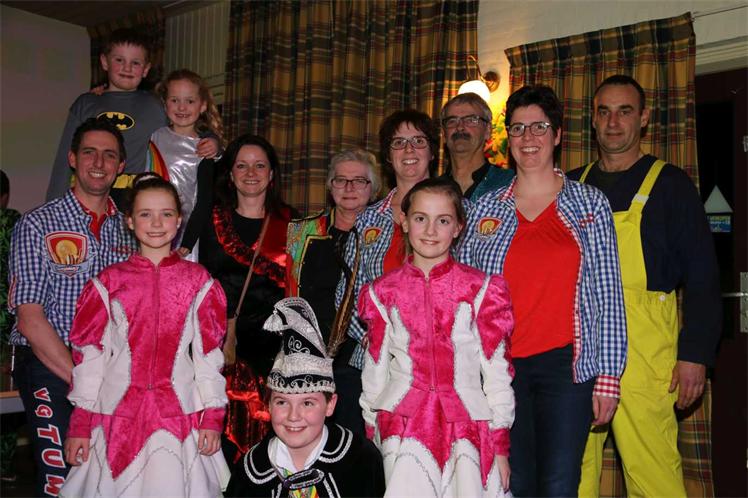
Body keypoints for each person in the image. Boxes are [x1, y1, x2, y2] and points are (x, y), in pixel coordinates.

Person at [458, 85, 627, 497]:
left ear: (557, 134)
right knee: (512, 483)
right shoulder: (484, 209)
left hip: (565, 368)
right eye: (518, 128)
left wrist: (608, 377)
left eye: (539, 127)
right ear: (508, 140)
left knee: (559, 484)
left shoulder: (589, 204)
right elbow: (463, 292)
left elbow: (608, 294)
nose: (528, 138)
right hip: (499, 369)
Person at [568, 75, 721, 498]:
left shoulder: (670, 185)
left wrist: (694, 354)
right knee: (573, 469)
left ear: (644, 118)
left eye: (625, 111)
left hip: (645, 345)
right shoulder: (571, 187)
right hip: (579, 339)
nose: (613, 122)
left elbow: (703, 275)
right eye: (604, 112)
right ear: (592, 120)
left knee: (652, 471)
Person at [59, 175, 230, 497]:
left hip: (180, 415)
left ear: (179, 221)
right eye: (145, 214)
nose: (156, 223)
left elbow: (209, 356)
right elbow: (89, 357)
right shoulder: (108, 282)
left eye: (166, 214)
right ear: (129, 220)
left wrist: (212, 417)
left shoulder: (199, 282)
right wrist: (80, 423)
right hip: (115, 416)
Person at [359, 177, 514, 496]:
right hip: (402, 425)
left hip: (467, 425)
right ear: (404, 222)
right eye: (420, 218)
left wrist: (499, 443)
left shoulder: (481, 290)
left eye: (443, 221)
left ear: (458, 227)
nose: (430, 230)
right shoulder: (382, 292)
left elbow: (497, 372)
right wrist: (372, 426)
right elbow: (374, 368)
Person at [7, 117, 135, 496]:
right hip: (51, 364)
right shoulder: (37, 224)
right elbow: (30, 320)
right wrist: (85, 381)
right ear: (73, 159)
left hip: (112, 366)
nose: (99, 162)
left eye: (109, 155)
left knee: (113, 478)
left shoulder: (132, 230)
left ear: (120, 166)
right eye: (89, 152)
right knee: (63, 480)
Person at [335, 109, 439, 427]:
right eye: (398, 142)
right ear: (388, 156)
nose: (409, 150)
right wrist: (374, 335)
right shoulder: (368, 218)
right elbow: (347, 293)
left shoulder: (459, 211)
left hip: (436, 364)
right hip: (372, 362)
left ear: (433, 152)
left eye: (418, 141)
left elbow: (469, 287)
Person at [198, 134, 297, 460]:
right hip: (223, 351)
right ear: (230, 173)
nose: (251, 173)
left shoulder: (292, 221)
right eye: (242, 165)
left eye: (259, 166)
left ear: (272, 174)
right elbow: (204, 286)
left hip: (276, 355)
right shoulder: (211, 220)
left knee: (274, 450)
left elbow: (301, 290)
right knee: (222, 447)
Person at [226, 297, 386, 498]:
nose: (293, 416)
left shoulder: (360, 461)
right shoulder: (250, 472)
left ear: (330, 405)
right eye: (282, 402)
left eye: (307, 403)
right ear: (268, 405)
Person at [45, 29, 218, 208]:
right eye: (119, 60)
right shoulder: (86, 103)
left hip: (134, 196)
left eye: (135, 63)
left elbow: (186, 125)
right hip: (87, 193)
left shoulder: (155, 105)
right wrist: (53, 206)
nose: (127, 68)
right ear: (104, 62)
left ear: (146, 69)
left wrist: (211, 140)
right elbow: (64, 160)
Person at [285, 148, 379, 434]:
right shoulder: (301, 231)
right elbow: (289, 296)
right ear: (330, 186)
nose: (349, 188)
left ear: (373, 188)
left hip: (360, 362)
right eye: (341, 180)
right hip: (308, 358)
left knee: (353, 442)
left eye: (359, 181)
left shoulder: (384, 236)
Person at [146, 68, 225, 262]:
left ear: (202, 106)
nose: (182, 108)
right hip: (150, 225)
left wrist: (188, 242)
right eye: (175, 100)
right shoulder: (154, 137)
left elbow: (204, 201)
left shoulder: (204, 148)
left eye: (190, 101)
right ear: (165, 104)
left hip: (186, 232)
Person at [440, 92, 514, 200]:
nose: (460, 127)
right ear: (443, 134)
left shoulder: (509, 184)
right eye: (452, 121)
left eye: (471, 120)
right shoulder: (432, 190)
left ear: (488, 130)